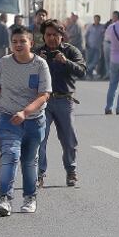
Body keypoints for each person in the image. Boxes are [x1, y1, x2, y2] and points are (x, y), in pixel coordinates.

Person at [0, 25, 51, 216]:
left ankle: (29, 197)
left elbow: (44, 95)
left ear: (31, 43)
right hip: (8, 119)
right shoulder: (4, 63)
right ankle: (4, 199)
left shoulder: (40, 65)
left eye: (22, 41)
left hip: (34, 121)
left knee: (28, 161)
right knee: (9, 156)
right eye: (15, 42)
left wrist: (25, 113)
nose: (18, 45)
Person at [35, 19, 86, 188]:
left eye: (55, 35)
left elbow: (82, 72)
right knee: (39, 138)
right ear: (43, 36)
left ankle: (71, 171)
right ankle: (39, 174)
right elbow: (27, 78)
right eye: (48, 35)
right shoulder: (37, 53)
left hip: (65, 100)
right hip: (44, 101)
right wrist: (36, 63)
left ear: (62, 36)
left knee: (69, 139)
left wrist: (66, 62)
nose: (51, 38)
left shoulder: (71, 51)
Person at [84, 14, 106, 80]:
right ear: (94, 19)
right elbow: (86, 36)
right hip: (90, 46)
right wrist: (86, 43)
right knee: (88, 61)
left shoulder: (102, 27)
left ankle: (86, 70)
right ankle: (89, 75)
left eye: (98, 19)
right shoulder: (90, 26)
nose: (96, 20)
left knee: (95, 61)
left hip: (98, 47)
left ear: (99, 20)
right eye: (95, 19)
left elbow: (104, 35)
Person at [101, 11, 118, 80]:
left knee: (113, 60)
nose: (114, 17)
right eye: (113, 16)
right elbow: (103, 31)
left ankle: (113, 74)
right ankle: (108, 73)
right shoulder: (108, 23)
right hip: (106, 43)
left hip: (114, 44)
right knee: (107, 59)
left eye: (115, 16)